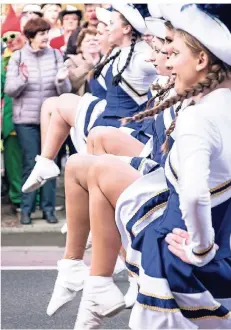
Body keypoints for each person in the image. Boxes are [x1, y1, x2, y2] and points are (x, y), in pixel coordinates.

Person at [64, 4, 230, 329]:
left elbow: (195, 196)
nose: (166, 60)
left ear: (201, 60)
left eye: (174, 51)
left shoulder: (198, 116)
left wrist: (201, 247)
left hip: (179, 263)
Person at [22, 4, 157, 193]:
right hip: (109, 115)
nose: (106, 27)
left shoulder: (142, 55)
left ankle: (47, 163)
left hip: (123, 127)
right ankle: (45, 161)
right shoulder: (119, 51)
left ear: (126, 29)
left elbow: (165, 68)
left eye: (110, 23)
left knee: (61, 105)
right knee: (52, 104)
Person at [4, 17, 71, 225]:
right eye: (42, 34)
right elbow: (9, 90)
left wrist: (61, 81)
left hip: (52, 120)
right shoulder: (18, 57)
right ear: (31, 37)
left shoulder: (55, 55)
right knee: (30, 164)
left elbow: (66, 91)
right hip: (26, 119)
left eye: (47, 33)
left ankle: (49, 210)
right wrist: (22, 79)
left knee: (50, 163)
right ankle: (26, 209)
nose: (46, 37)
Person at [1, 5, 25, 211]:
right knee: (13, 161)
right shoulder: (2, 63)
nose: (9, 41)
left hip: (31, 116)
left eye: (13, 35)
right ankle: (17, 198)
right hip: (9, 118)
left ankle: (32, 199)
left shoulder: (30, 57)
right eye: (5, 37)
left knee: (32, 158)